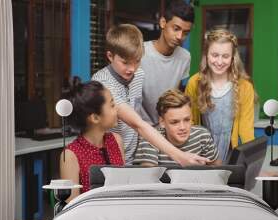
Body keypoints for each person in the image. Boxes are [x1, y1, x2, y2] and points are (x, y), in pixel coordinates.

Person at [92, 24, 208, 166]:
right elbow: (137, 123)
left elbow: (138, 109)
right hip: (110, 158)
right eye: (125, 63)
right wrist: (179, 156)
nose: (132, 69)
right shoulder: (102, 83)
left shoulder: (138, 74)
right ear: (110, 56)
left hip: (134, 157)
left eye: (137, 61)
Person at [185, 29, 258, 163]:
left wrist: (253, 163)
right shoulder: (194, 83)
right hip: (202, 156)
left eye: (225, 56)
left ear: (232, 58)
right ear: (206, 55)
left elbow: (246, 129)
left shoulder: (245, 87)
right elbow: (190, 124)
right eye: (214, 55)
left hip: (231, 158)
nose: (219, 61)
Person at [60, 77, 124, 202]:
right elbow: (71, 207)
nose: (116, 109)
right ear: (95, 117)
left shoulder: (117, 140)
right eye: (112, 105)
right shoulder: (70, 156)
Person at [140, 0, 194, 126]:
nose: (180, 36)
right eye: (176, 29)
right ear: (163, 22)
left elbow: (176, 95)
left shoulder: (185, 57)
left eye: (186, 32)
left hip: (168, 128)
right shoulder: (139, 53)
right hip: (140, 128)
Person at [134, 89, 221, 166]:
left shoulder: (202, 136)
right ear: (162, 122)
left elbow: (218, 171)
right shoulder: (150, 140)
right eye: (174, 122)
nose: (182, 127)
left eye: (187, 120)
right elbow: (149, 179)